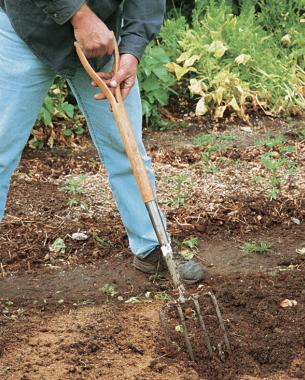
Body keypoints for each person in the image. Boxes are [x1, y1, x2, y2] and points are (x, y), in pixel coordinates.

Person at [0, 0, 204, 284]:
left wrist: (132, 49)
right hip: (25, 28)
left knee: (126, 144)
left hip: (102, 38)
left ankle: (153, 248)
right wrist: (79, 15)